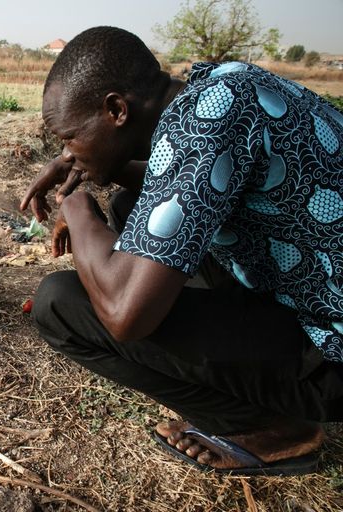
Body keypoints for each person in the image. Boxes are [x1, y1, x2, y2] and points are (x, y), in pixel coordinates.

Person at [20, 26, 343, 476]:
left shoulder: (201, 128)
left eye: (69, 137)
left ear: (116, 109)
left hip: (330, 351)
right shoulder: (222, 88)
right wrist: (84, 162)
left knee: (60, 302)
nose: (66, 153)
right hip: (316, 289)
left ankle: (271, 427)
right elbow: (180, 180)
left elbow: (124, 316)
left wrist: (74, 204)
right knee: (134, 204)